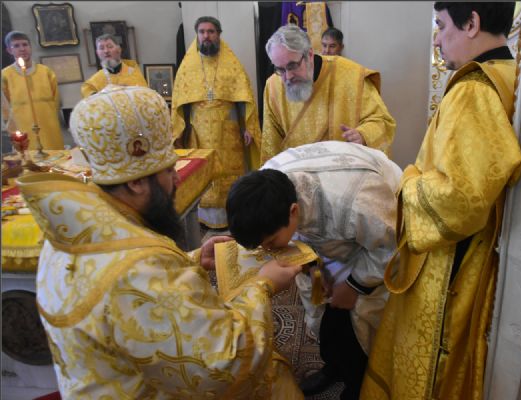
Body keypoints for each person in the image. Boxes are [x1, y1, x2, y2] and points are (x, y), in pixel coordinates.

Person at [18, 85, 303, 399]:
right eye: (169, 171)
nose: (177, 179)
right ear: (138, 183)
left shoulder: (72, 230)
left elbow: (123, 290)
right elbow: (226, 366)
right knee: (276, 380)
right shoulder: (139, 266)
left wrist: (192, 260)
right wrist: (261, 286)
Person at [361, 3, 521, 400]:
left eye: (441, 25)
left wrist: (408, 181)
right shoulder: (512, 74)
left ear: (472, 23)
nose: (436, 39)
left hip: (451, 258)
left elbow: (458, 201)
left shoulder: (473, 90)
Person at [226, 141, 403, 399]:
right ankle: (333, 366)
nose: (269, 251)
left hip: (373, 237)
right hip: (331, 236)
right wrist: (314, 268)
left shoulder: (356, 202)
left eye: (271, 242)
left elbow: (392, 248)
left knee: (361, 319)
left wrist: (354, 286)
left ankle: (359, 384)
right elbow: (297, 240)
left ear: (294, 211)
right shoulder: (266, 190)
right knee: (321, 304)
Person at [172, 16, 261, 230]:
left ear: (218, 34)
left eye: (211, 32)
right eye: (202, 32)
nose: (206, 36)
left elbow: (244, 98)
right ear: (197, 35)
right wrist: (180, 132)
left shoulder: (231, 63)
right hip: (199, 131)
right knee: (205, 172)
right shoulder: (188, 66)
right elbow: (179, 104)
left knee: (230, 174)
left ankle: (233, 217)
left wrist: (248, 127)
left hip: (228, 131)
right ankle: (207, 221)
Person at [261, 24, 396, 165]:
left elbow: (383, 121)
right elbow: (271, 145)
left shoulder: (351, 75)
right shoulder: (273, 87)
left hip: (346, 170)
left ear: (309, 55)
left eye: (293, 66)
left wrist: (363, 135)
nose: (288, 76)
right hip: (297, 172)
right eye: (280, 69)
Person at [1, 31, 63, 150]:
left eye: (25, 44)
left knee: (56, 156)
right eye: (16, 46)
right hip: (23, 128)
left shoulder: (46, 72)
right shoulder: (5, 75)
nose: (22, 49)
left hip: (48, 126)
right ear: (9, 50)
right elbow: (5, 106)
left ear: (30, 47)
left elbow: (55, 99)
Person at [80, 33, 147, 98]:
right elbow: (91, 99)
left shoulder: (133, 72)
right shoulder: (93, 82)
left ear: (119, 49)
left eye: (110, 47)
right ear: (97, 53)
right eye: (101, 48)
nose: (106, 51)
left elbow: (145, 95)